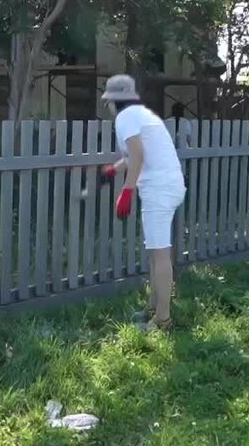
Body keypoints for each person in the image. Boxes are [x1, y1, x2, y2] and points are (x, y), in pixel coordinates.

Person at [99, 75, 185, 332]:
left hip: (158, 188)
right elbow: (132, 154)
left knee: (159, 254)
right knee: (156, 251)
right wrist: (114, 170)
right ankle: (154, 305)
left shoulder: (125, 118)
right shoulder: (143, 115)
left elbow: (138, 154)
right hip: (170, 184)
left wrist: (126, 190)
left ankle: (162, 320)